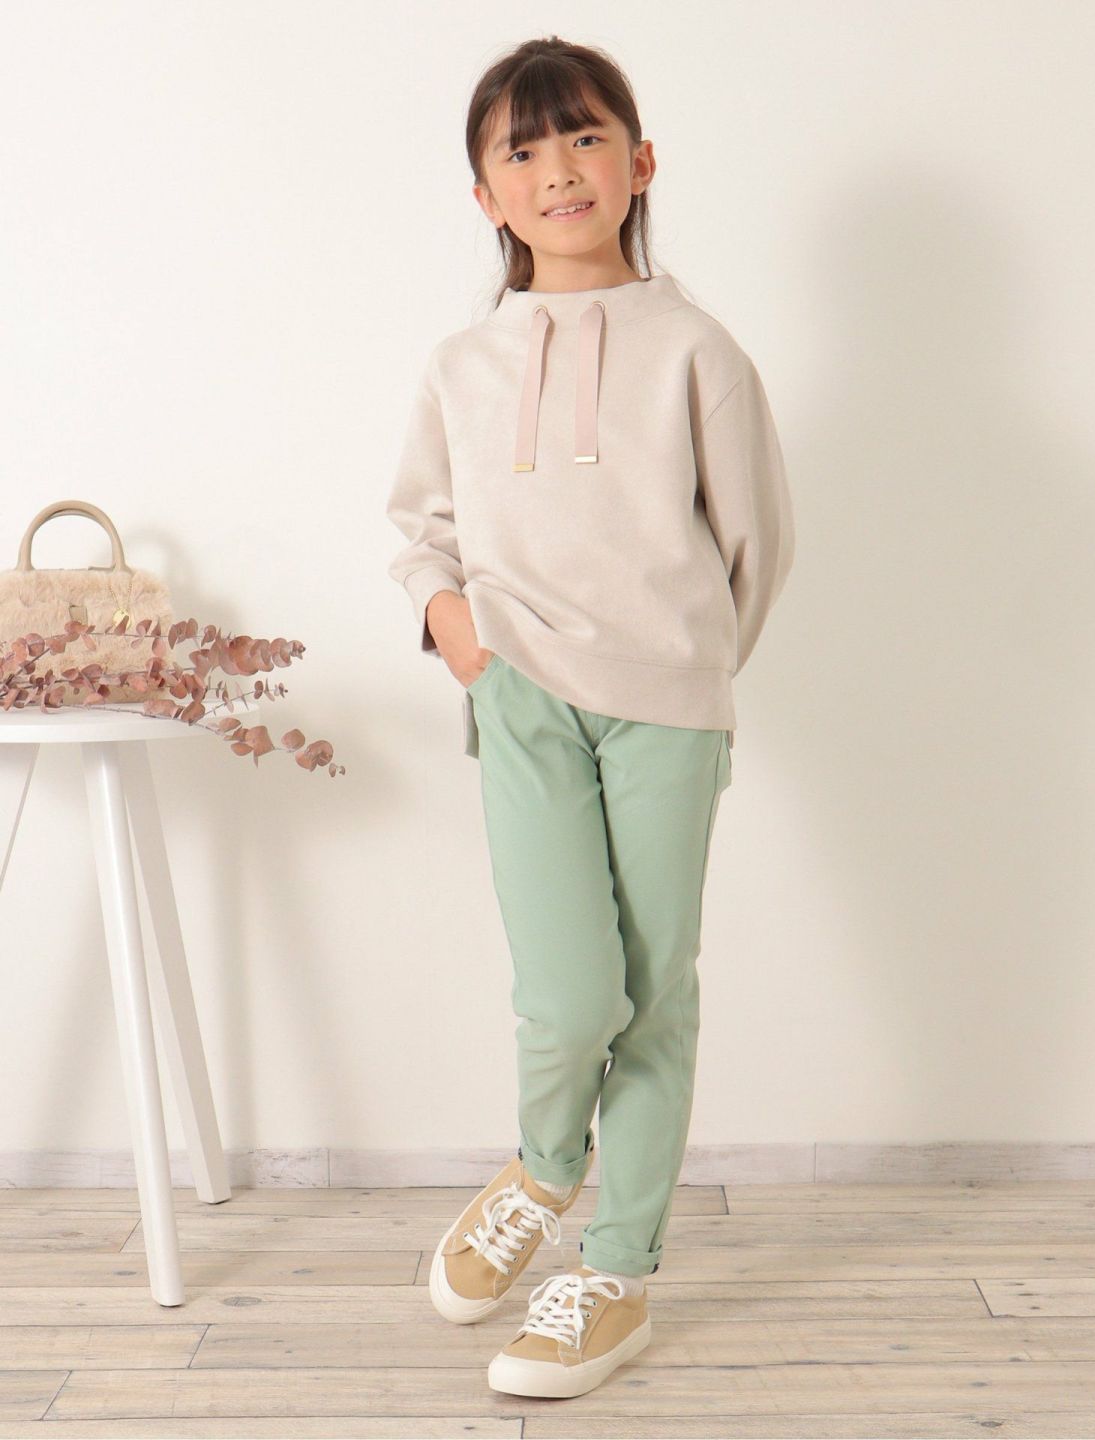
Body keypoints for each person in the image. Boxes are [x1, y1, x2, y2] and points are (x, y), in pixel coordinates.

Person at [385, 34, 795, 1399]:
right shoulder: (462, 365)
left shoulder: (699, 351)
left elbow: (757, 547)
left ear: (639, 161)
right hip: (521, 697)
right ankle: (544, 1168)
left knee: (655, 993)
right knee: (571, 997)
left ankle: (614, 1275)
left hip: (667, 709)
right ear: (485, 194)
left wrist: (684, 670)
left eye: (584, 137)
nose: (558, 168)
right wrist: (462, 638)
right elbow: (420, 530)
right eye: (523, 148)